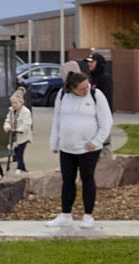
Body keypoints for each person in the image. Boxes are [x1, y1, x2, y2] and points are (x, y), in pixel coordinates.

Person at [47, 70, 112, 229]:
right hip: (67, 147)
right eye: (81, 89)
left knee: (87, 178)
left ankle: (88, 215)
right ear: (72, 88)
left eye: (86, 87)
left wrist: (97, 141)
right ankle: (66, 214)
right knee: (67, 180)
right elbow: (57, 119)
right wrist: (54, 142)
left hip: (88, 148)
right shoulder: (63, 95)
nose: (85, 90)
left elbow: (106, 121)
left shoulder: (96, 95)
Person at [3, 88, 35, 174]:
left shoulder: (26, 112)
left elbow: (27, 124)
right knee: (16, 152)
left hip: (23, 136)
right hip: (14, 137)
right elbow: (8, 120)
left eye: (16, 103)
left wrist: (18, 129)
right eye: (12, 103)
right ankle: (22, 168)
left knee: (20, 152)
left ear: (21, 102)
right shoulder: (11, 111)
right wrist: (7, 127)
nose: (14, 105)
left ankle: (19, 168)